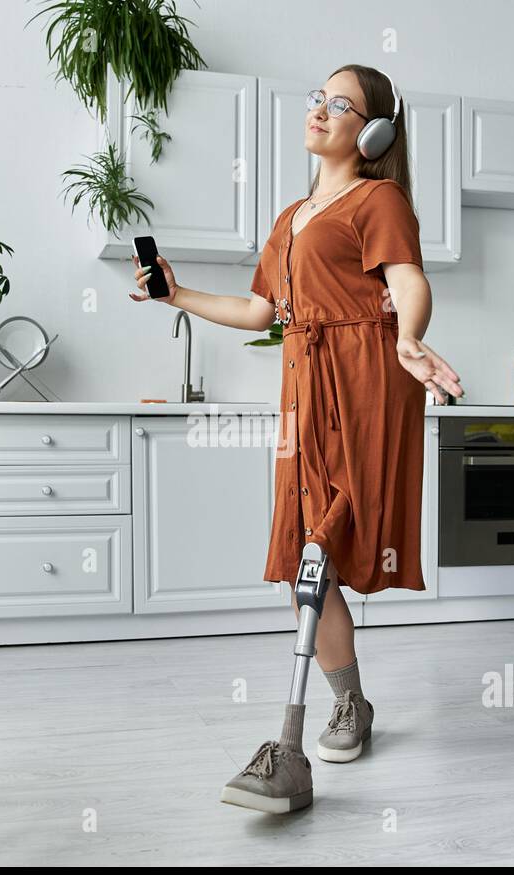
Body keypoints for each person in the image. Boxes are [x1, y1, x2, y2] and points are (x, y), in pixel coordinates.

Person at [130, 63, 464, 813]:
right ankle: (352, 703)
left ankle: (320, 722)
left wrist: (410, 337)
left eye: (340, 104)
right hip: (304, 387)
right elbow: (259, 315)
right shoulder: (290, 219)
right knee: (300, 560)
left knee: (330, 540)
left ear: (371, 132)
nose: (320, 109)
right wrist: (175, 292)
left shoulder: (378, 199)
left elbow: (407, 279)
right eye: (318, 97)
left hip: (367, 379)